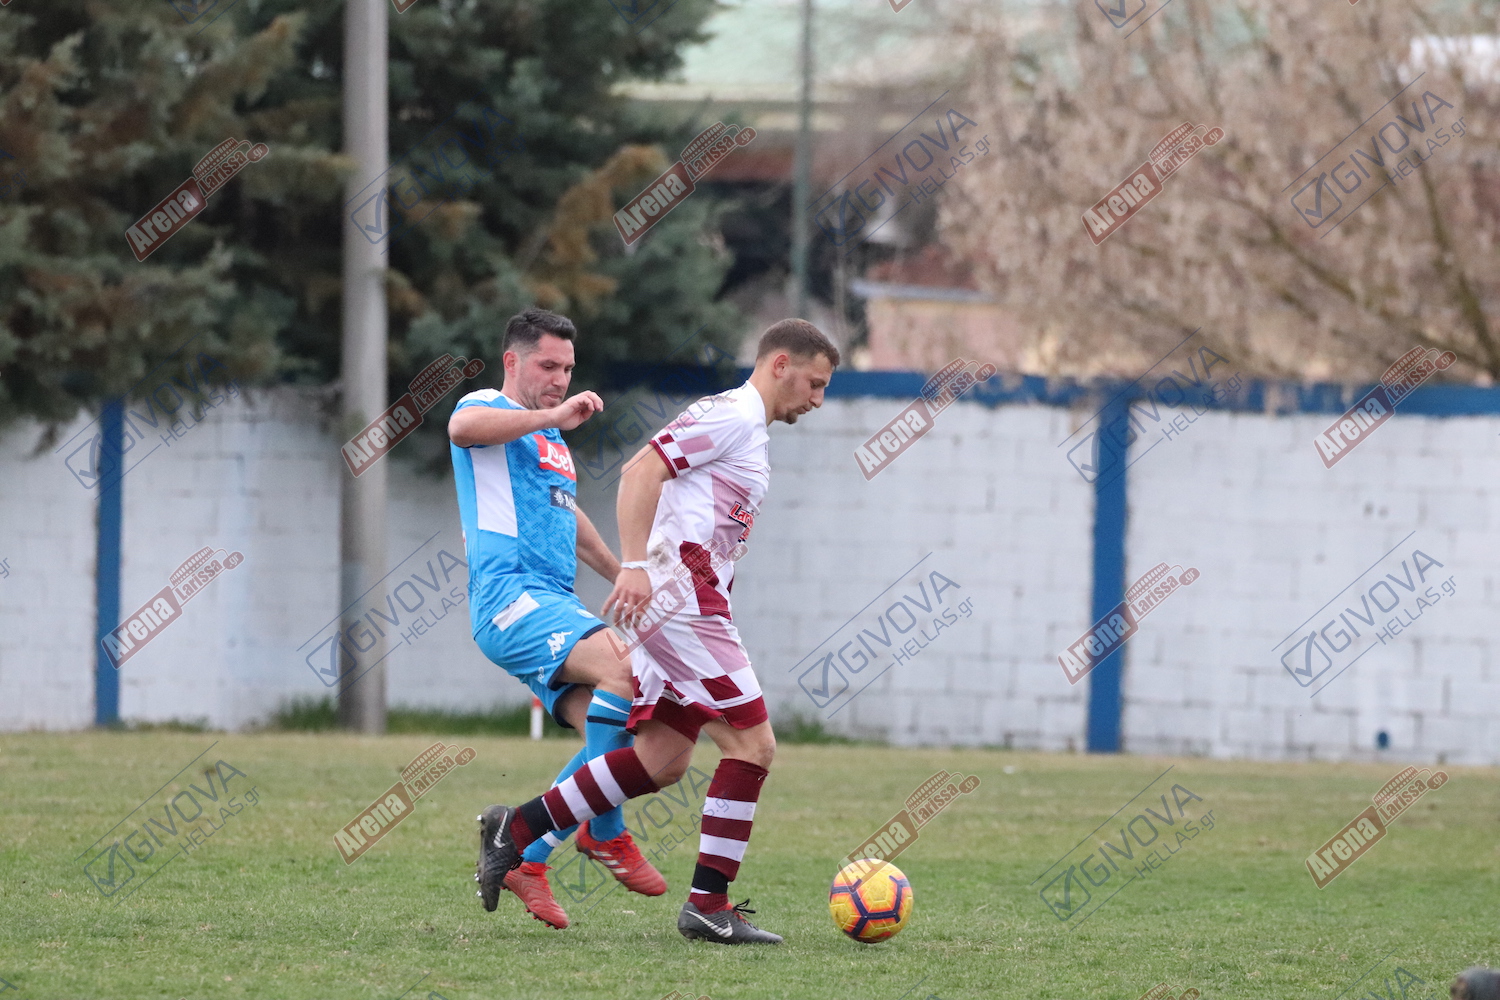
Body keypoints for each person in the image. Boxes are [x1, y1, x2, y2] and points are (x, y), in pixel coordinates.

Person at [474, 318, 839, 944]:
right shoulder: (731, 415)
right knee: (753, 746)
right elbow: (641, 470)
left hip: (688, 600)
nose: (819, 399)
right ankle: (708, 905)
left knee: (662, 760)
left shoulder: (749, 430)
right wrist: (637, 566)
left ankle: (520, 827)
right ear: (780, 365)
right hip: (683, 602)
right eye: (815, 383)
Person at [449, 308, 666, 929]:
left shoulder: (551, 443)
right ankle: (605, 831)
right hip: (511, 599)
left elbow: (571, 520)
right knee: (627, 670)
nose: (560, 380)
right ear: (512, 361)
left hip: (554, 603)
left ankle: (527, 855)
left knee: (625, 738)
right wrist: (551, 416)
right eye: (548, 365)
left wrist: (627, 573)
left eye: (568, 369)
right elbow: (463, 428)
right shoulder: (487, 406)